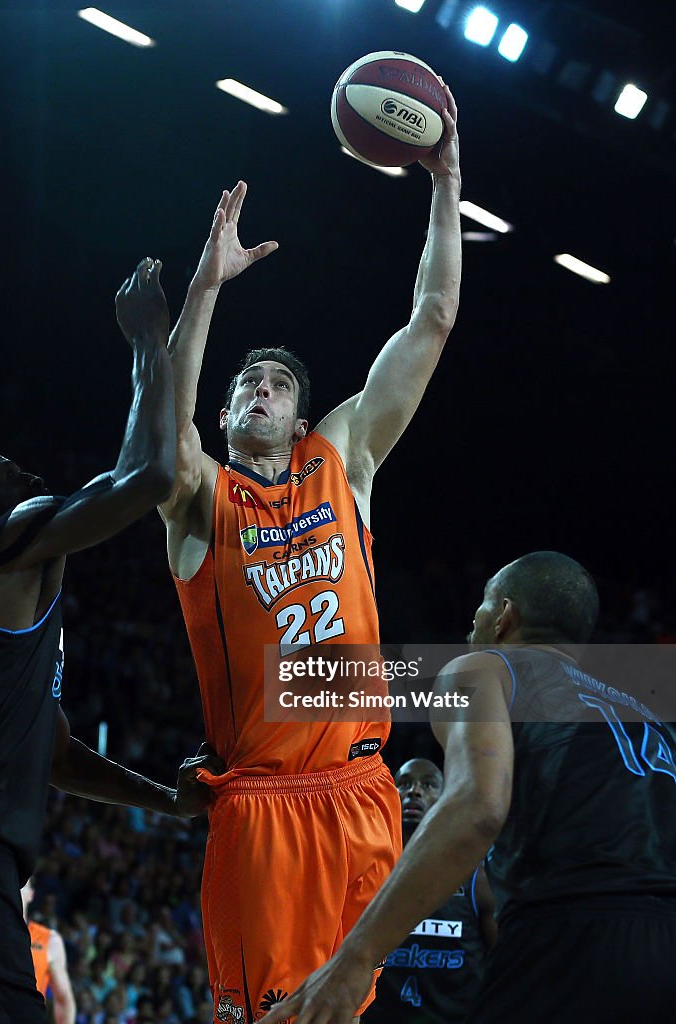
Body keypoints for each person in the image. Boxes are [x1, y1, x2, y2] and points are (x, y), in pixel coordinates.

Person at [159, 81, 461, 1021]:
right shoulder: (203, 500)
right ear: (225, 411)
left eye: (279, 382)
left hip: (367, 791)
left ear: (300, 414)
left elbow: (432, 320)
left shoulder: (344, 461)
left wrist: (443, 182)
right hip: (265, 807)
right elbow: (159, 441)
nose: (261, 388)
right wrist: (203, 289)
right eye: (246, 380)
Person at [0, 258, 223, 1024]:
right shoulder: (2, 542)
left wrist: (167, 802)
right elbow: (151, 475)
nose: (21, 468)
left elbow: (59, 757)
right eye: (1, 469)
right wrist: (145, 343)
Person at [261, 551, 676, 1024]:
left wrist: (356, 958)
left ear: (504, 616)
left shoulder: (484, 668)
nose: (473, 618)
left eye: (483, 603)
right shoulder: (647, 716)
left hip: (570, 933)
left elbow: (476, 806)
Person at [362, 759, 495, 1024]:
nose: (414, 791)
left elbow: (501, 961)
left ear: (445, 799)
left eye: (428, 784)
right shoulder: (367, 869)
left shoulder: (475, 875)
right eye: (404, 784)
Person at [21, 877, 75, 1024]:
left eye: (20, 884)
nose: (14, 889)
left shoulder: (50, 940)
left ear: (31, 894)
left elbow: (63, 999)